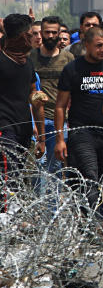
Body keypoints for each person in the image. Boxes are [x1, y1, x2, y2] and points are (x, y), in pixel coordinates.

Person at [54, 26, 103, 214]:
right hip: (82, 131)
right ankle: (94, 223)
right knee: (89, 175)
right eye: (99, 46)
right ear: (86, 45)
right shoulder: (72, 69)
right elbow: (60, 106)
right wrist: (60, 140)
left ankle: (95, 218)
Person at [0, 14, 44, 176]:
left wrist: (41, 137)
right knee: (8, 182)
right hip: (5, 130)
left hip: (24, 131)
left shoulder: (27, 63)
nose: (35, 38)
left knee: (17, 180)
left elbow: (35, 98)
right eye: (31, 34)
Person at [30, 16, 73, 176]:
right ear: (41, 33)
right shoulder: (31, 57)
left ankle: (52, 202)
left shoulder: (68, 59)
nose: (50, 36)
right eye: (46, 32)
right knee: (37, 168)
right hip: (36, 120)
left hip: (60, 120)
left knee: (55, 168)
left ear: (59, 33)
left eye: (53, 32)